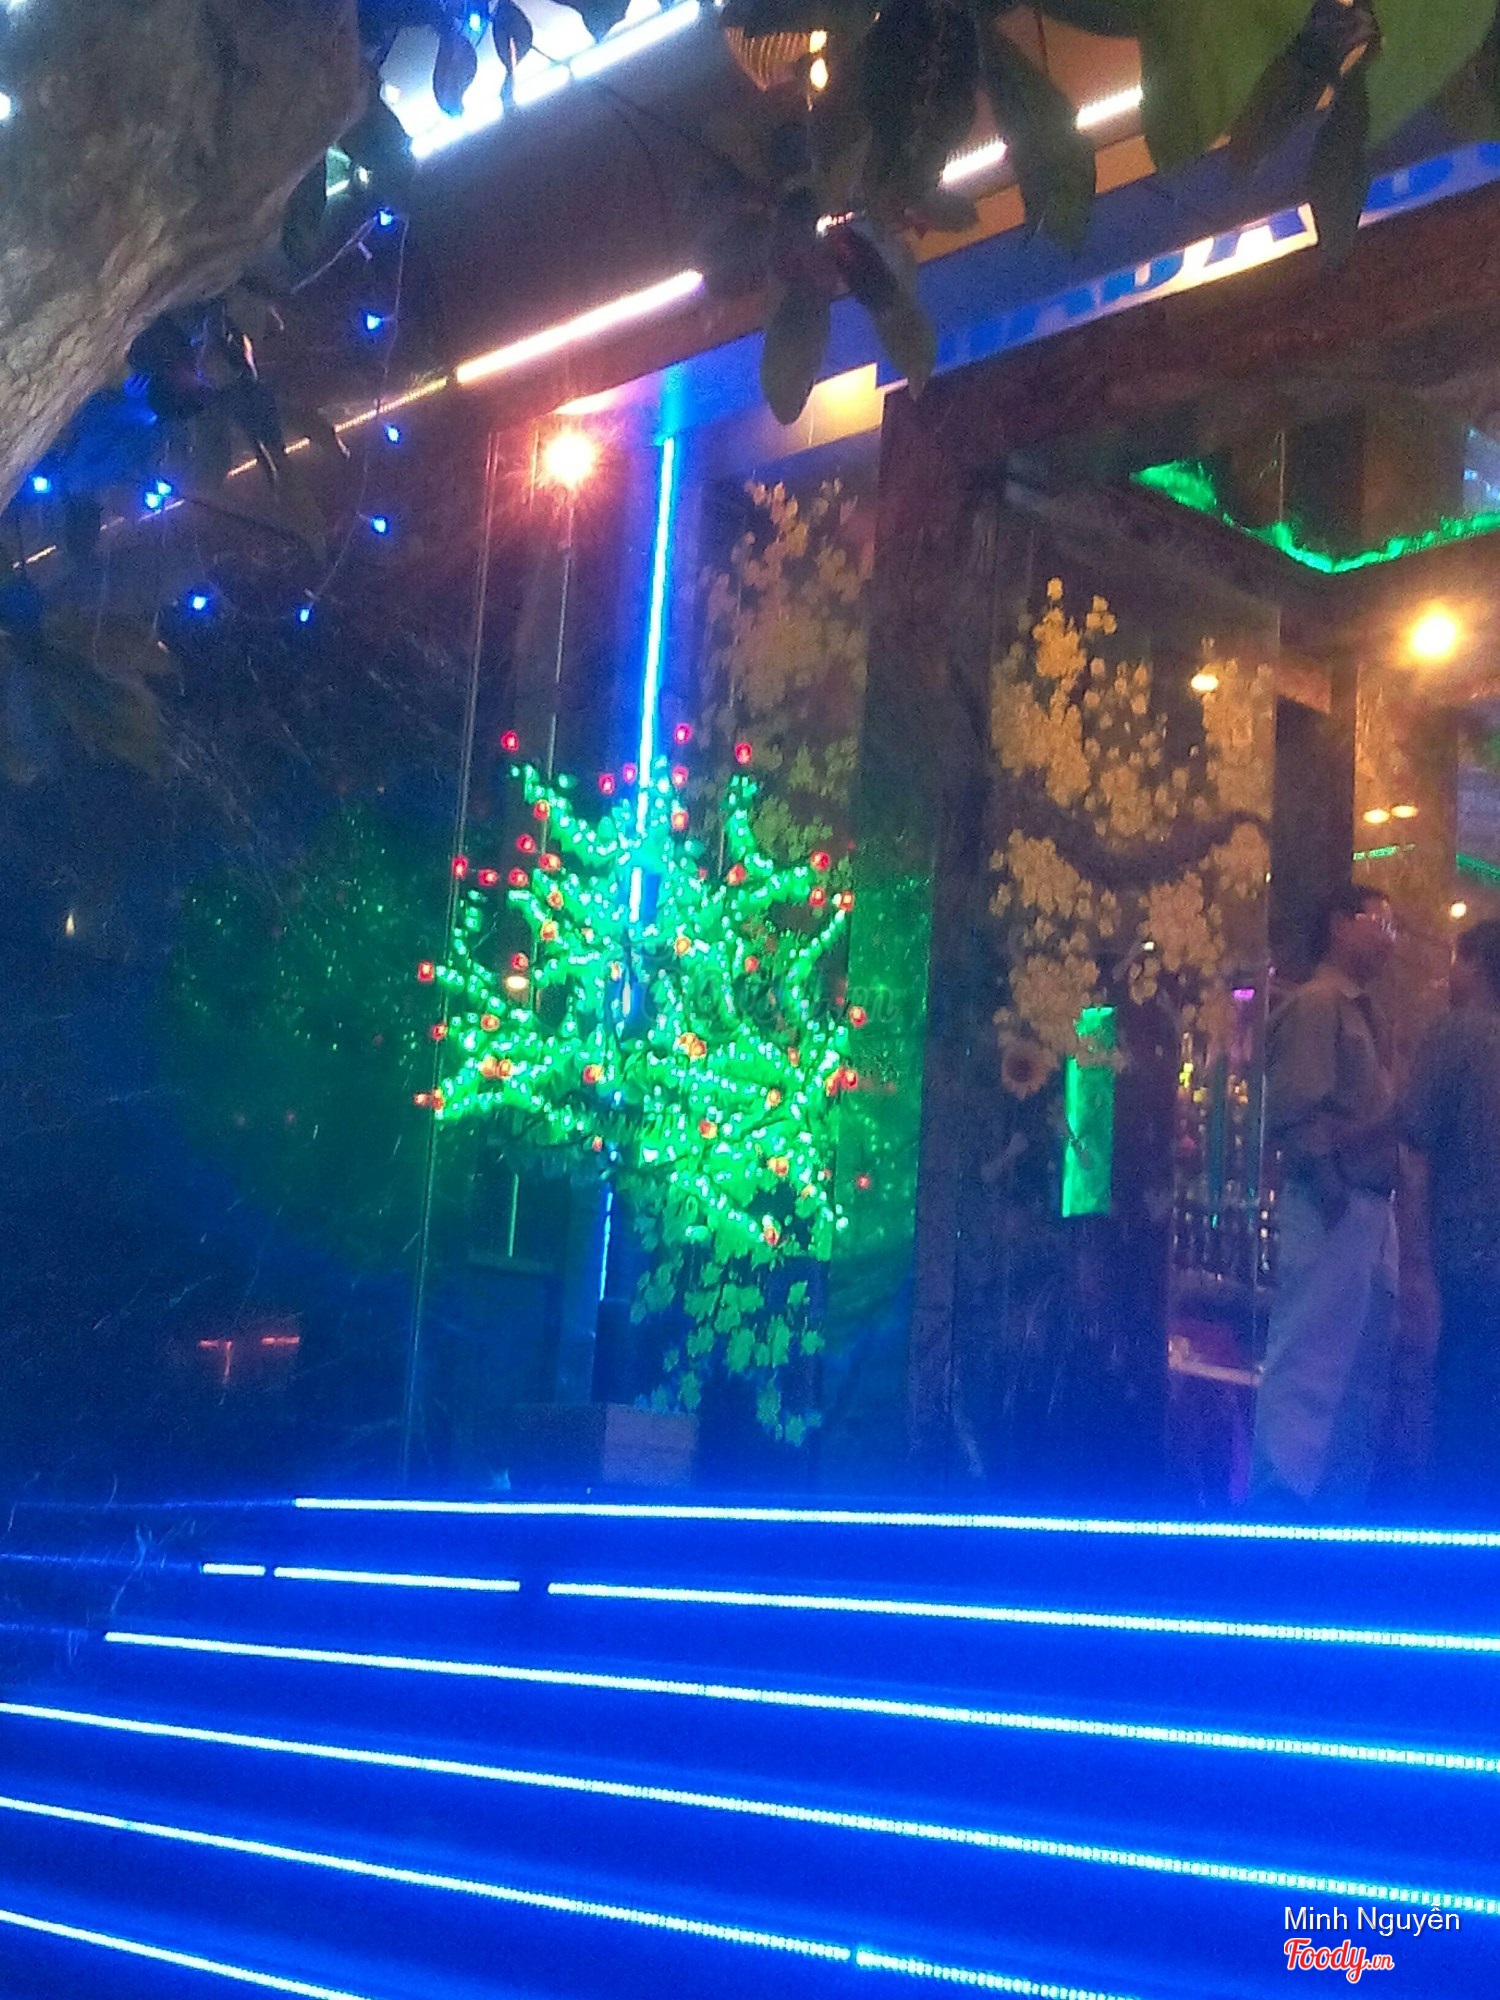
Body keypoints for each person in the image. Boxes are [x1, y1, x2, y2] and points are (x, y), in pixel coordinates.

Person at [1251, 884, 1400, 1515]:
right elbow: (1296, 1111)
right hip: (1336, 1202)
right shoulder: (1318, 1004)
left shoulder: (1361, 1011)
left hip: (1369, 1207)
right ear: (1339, 924)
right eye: (1379, 923)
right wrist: (1333, 1192)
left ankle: (1330, 1506)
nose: (1388, 940)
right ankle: (1281, 1504)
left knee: (1355, 1366)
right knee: (1309, 1363)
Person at [1400, 918, 1500, 1517]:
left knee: (1461, 1392)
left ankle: (1455, 1526)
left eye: (1458, 961)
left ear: (1478, 966)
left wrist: (1412, 1258)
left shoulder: (1455, 1034)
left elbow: (1414, 1139)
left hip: (1467, 1251)